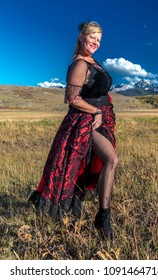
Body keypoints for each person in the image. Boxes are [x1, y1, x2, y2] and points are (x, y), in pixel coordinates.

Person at [28, 21, 118, 239]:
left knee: (88, 164)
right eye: (92, 37)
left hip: (102, 119)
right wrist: (96, 111)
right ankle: (103, 216)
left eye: (99, 40)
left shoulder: (93, 61)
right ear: (81, 37)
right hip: (84, 121)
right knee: (111, 160)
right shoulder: (79, 64)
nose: (95, 42)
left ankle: (79, 208)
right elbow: (71, 98)